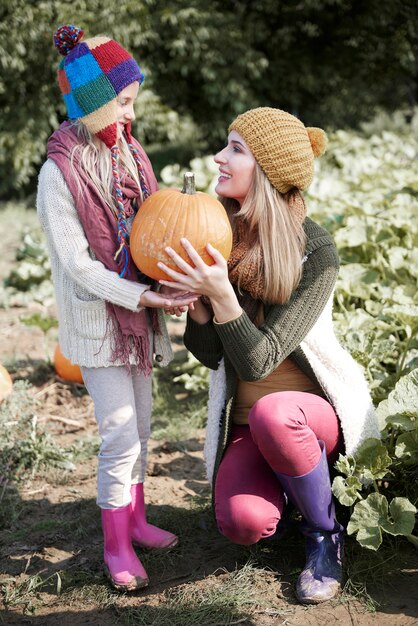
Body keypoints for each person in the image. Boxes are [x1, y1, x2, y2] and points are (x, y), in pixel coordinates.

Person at [156, 107, 380, 604]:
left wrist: (224, 296)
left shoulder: (314, 251)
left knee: (276, 414)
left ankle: (325, 535)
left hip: (309, 417)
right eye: (225, 144)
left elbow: (260, 360)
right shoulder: (217, 230)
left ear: (270, 171)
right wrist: (198, 307)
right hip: (246, 424)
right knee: (241, 523)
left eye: (236, 149)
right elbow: (213, 356)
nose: (219, 157)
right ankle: (293, 493)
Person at [36, 24, 197, 592]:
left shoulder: (128, 153)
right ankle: (116, 544)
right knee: (120, 434)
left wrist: (172, 273)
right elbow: (79, 265)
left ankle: (137, 517)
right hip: (100, 320)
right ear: (96, 101)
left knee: (144, 424)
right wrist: (143, 294)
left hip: (138, 315)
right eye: (123, 101)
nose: (131, 113)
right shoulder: (59, 173)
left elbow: (149, 225)